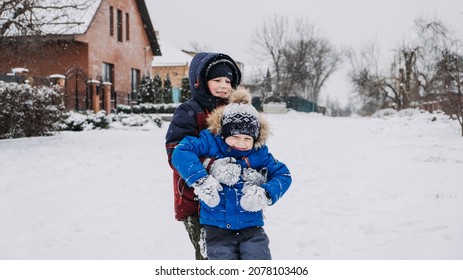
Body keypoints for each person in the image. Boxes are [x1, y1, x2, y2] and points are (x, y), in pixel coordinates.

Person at [171, 87, 292, 260]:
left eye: (247, 138)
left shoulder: (259, 153)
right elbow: (181, 152)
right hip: (215, 229)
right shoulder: (210, 142)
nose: (241, 143)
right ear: (224, 133)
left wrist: (265, 193)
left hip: (251, 228)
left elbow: (284, 175)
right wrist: (201, 180)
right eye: (235, 136)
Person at [165, 52, 241, 260]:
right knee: (209, 253)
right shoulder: (189, 112)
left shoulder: (234, 111)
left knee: (232, 252)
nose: (224, 85)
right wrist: (210, 166)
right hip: (195, 198)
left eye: (228, 81)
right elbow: (175, 152)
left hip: (228, 200)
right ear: (200, 82)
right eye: (217, 80)